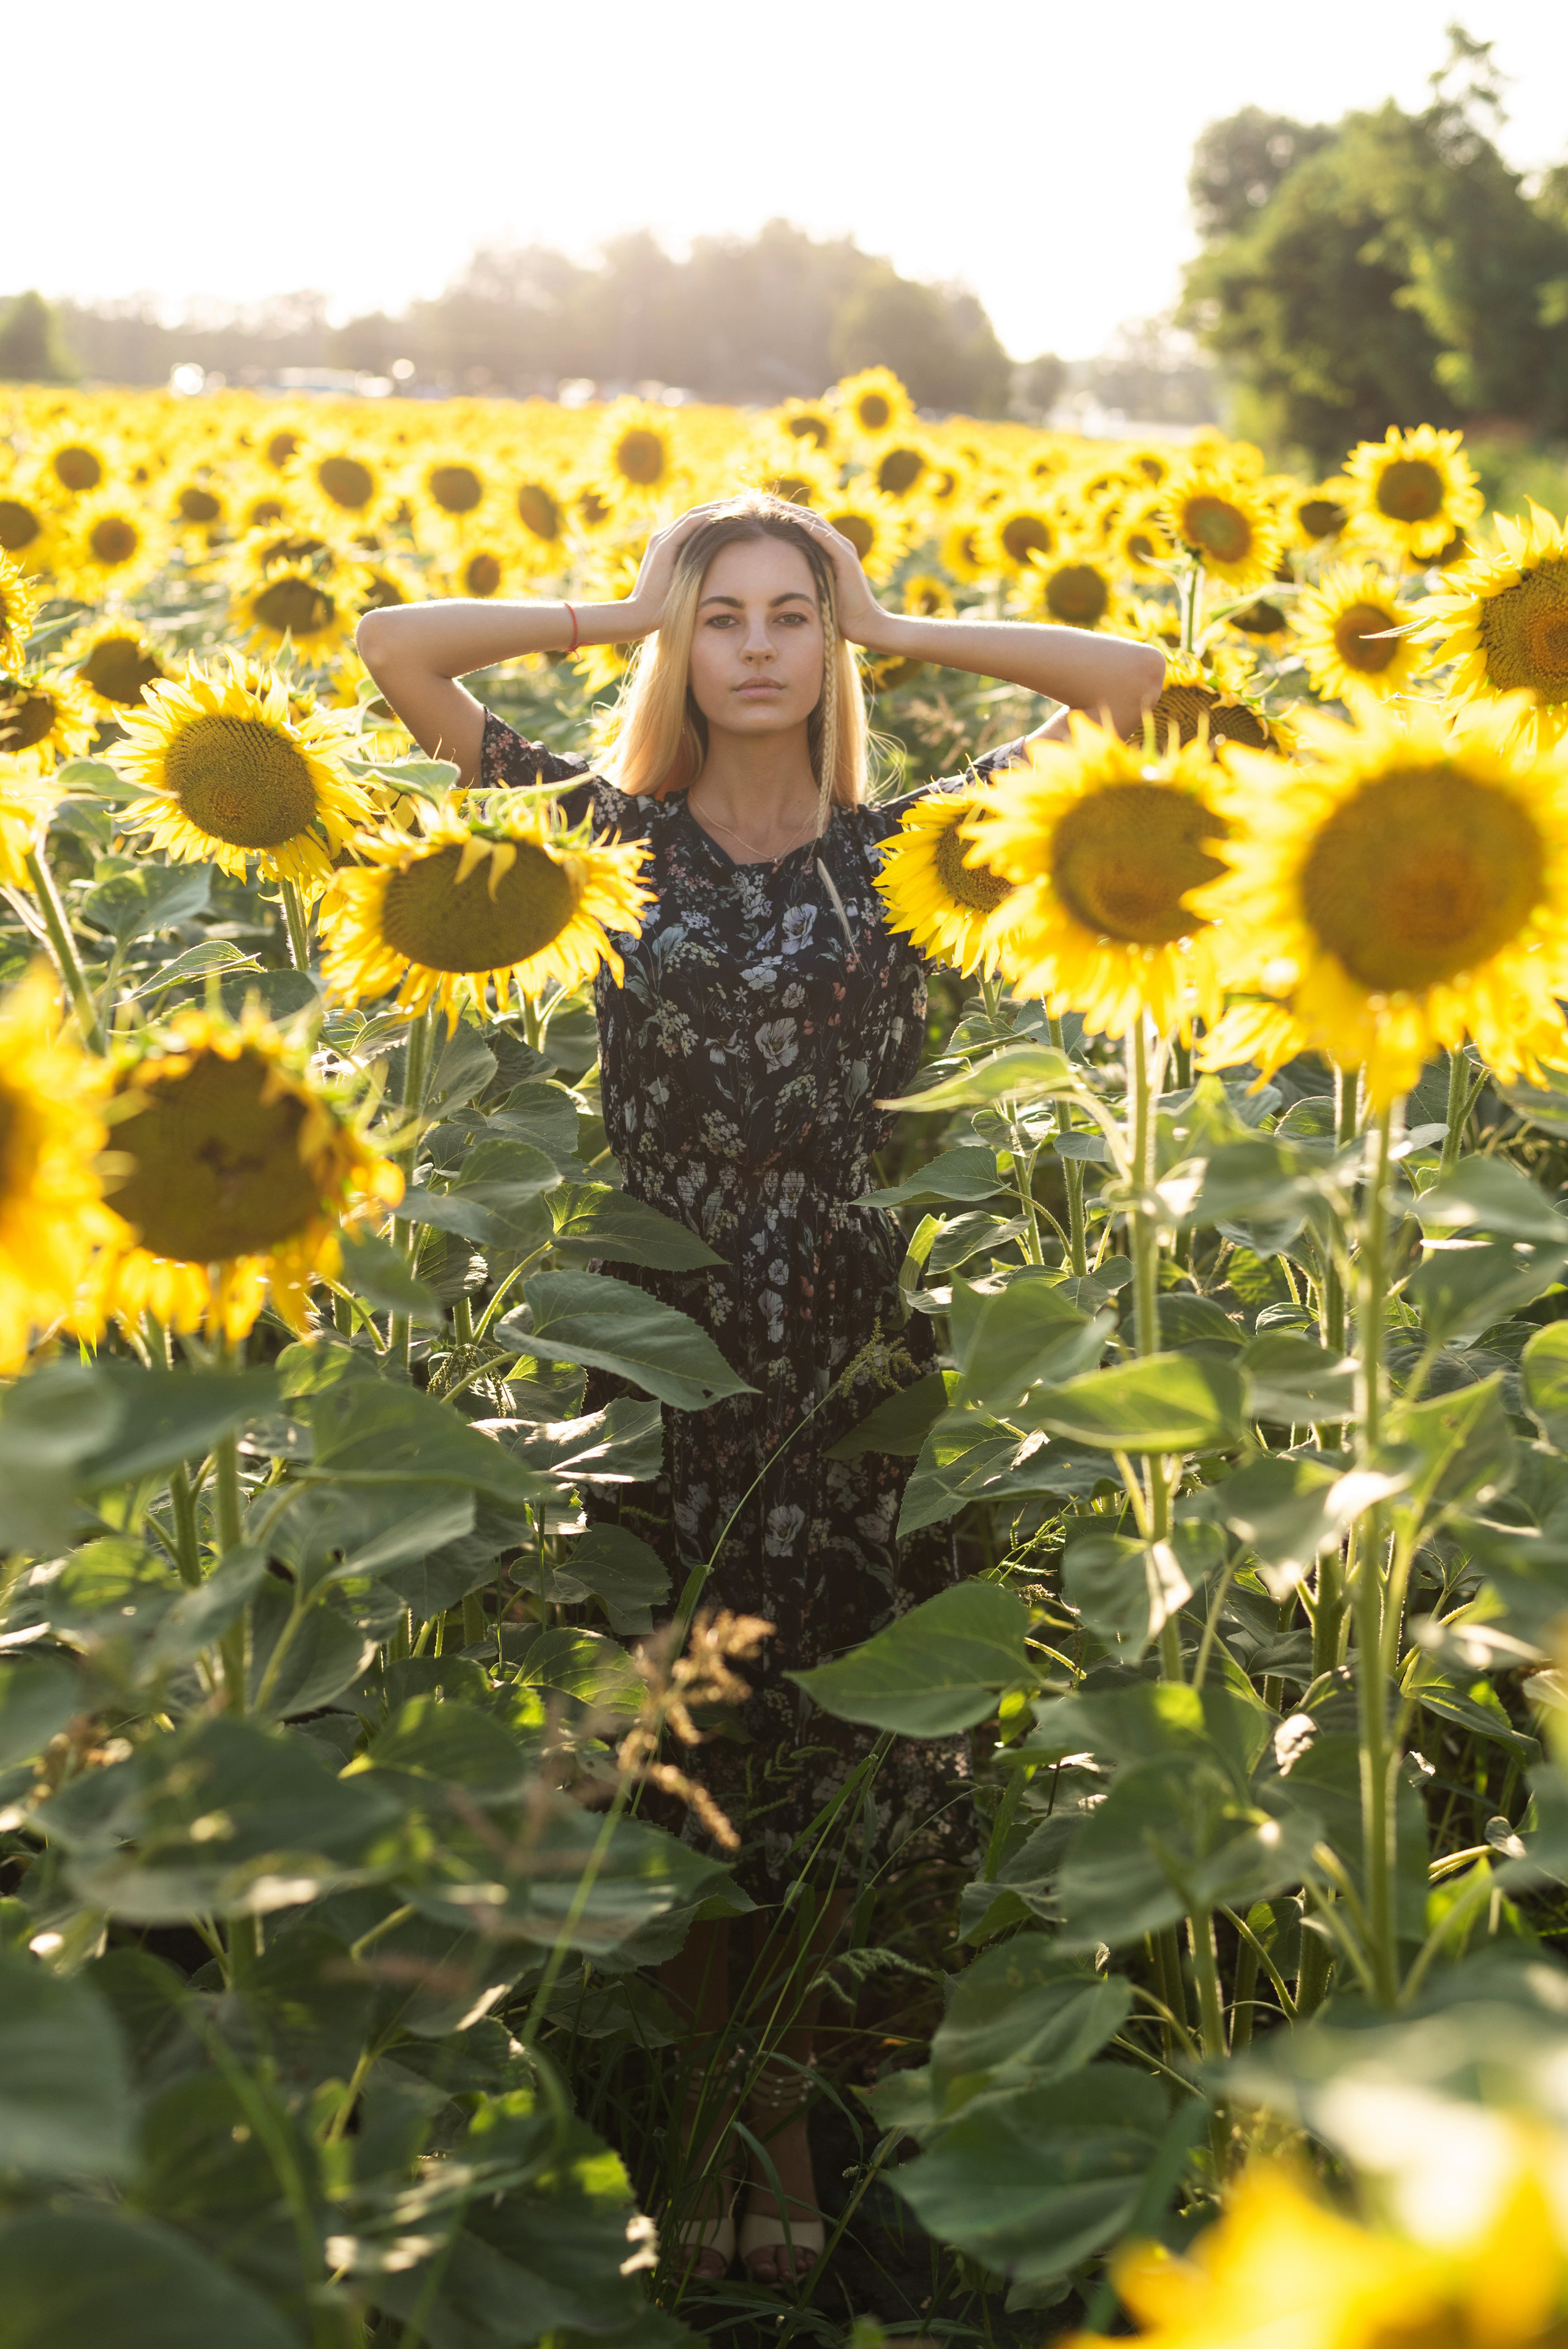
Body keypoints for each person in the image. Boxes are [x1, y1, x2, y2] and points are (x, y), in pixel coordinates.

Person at [357, 494, 1163, 2285]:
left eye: (795, 616)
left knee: (826, 1753)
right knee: (678, 1743)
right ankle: (722, 2098)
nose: (759, 649)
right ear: (682, 640)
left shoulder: (912, 856)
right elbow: (394, 648)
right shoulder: (603, 836)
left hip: (854, 1367)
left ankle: (785, 2106)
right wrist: (607, 611)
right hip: (654, 1352)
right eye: (722, 616)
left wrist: (905, 631)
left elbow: (1128, 687)